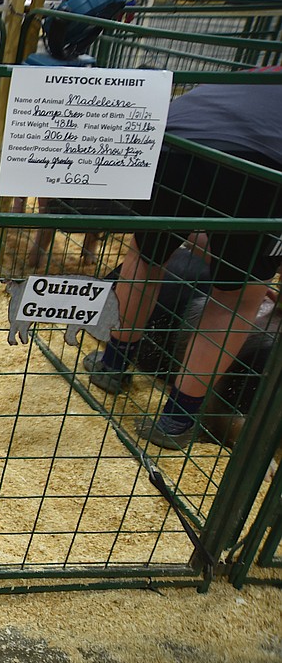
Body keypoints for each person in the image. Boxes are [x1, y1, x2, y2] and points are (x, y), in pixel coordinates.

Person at [82, 78, 282, 450]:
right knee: (239, 296)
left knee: (146, 254)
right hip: (265, 164)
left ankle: (112, 364)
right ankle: (177, 418)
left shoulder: (261, 75)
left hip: (179, 136)